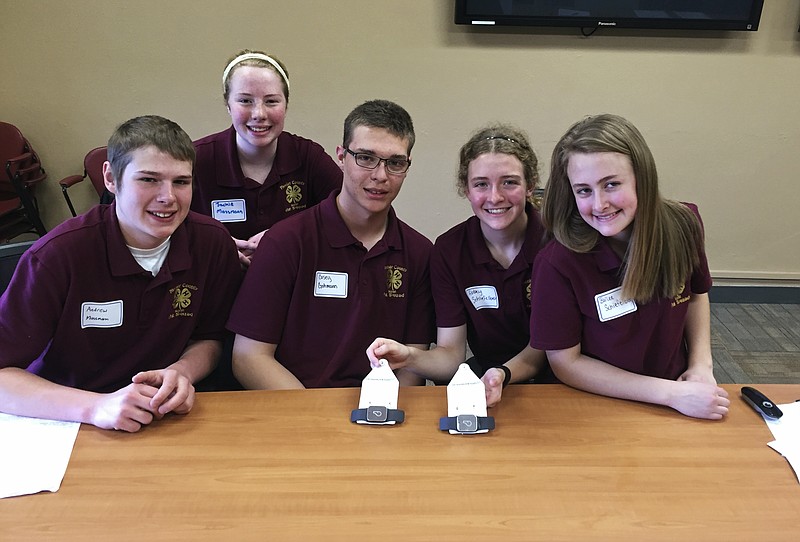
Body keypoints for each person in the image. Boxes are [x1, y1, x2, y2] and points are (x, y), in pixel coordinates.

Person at [0, 115, 241, 432]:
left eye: (181, 181)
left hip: (166, 418)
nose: (168, 197)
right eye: (149, 180)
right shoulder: (56, 256)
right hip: (72, 418)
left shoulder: (212, 243)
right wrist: (95, 406)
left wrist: (182, 371)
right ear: (111, 178)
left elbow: (210, 338)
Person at [524, 113, 729, 420]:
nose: (599, 204)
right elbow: (566, 363)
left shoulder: (684, 224)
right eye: (583, 190)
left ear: (641, 178)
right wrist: (668, 394)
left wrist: (701, 366)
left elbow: (696, 295)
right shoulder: (558, 262)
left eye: (612, 184)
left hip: (675, 389)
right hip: (598, 399)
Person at [228, 99, 435, 389]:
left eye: (395, 163)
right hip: (298, 412)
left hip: (383, 417)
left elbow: (413, 365)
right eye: (365, 157)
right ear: (341, 157)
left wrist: (384, 415)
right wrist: (314, 421)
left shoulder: (420, 253)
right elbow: (249, 358)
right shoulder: (287, 241)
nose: (380, 175)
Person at [366, 124, 548, 397]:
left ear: (530, 185)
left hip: (559, 381)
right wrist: (408, 357)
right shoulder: (450, 250)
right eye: (481, 184)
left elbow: (546, 346)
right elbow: (451, 355)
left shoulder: (555, 242)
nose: (495, 196)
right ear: (466, 188)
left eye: (509, 182)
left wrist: (504, 373)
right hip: (489, 384)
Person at [192, 49, 343, 267]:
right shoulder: (197, 159)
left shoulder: (309, 157)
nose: (259, 114)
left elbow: (347, 215)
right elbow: (166, 222)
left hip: (289, 289)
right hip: (216, 286)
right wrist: (213, 245)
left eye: (271, 101)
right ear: (227, 105)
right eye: (245, 100)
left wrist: (285, 237)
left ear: (286, 105)